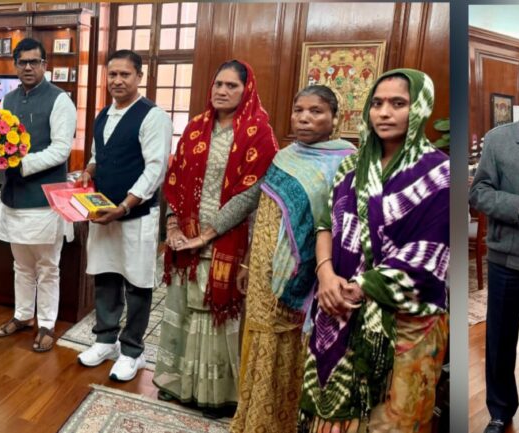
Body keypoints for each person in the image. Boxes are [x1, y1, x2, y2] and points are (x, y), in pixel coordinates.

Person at [299, 69, 450, 432]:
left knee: (390, 421)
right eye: (377, 103)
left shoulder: (440, 173)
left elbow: (428, 254)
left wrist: (360, 287)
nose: (384, 113)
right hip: (337, 308)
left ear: (420, 108)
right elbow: (325, 225)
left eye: (398, 104)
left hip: (405, 323)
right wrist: (326, 275)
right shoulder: (352, 167)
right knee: (333, 417)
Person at [153, 60, 279, 418]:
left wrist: (208, 234)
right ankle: (179, 385)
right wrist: (173, 226)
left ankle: (216, 395)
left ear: (246, 90)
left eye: (231, 86)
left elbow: (250, 194)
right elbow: (175, 179)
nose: (222, 91)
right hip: (186, 237)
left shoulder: (258, 132)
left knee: (214, 314)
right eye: (218, 84)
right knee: (183, 308)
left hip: (228, 239)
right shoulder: (196, 127)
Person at [230, 85, 355, 433]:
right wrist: (248, 261)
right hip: (263, 269)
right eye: (299, 110)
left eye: (316, 111)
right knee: (261, 339)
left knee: (294, 344)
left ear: (335, 117)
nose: (304, 118)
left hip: (312, 275)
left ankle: (285, 423)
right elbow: (266, 214)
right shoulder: (284, 157)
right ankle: (254, 419)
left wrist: (320, 271)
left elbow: (341, 224)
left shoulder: (347, 161)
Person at [76, 50, 173, 381]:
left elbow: (155, 169)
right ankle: (105, 340)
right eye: (113, 74)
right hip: (103, 212)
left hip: (136, 215)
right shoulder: (103, 114)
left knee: (136, 282)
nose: (117, 81)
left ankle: (133, 351)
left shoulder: (153, 117)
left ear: (139, 77)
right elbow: (97, 155)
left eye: (125, 74)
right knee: (105, 276)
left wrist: (125, 206)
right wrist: (87, 173)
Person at [0, 38, 76, 352]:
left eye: (35, 61)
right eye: (23, 62)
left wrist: (20, 164)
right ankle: (23, 315)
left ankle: (47, 323)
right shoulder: (8, 99)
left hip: (45, 200)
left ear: (45, 64)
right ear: (15, 65)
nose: (28, 67)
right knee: (21, 265)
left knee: (48, 267)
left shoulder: (60, 100)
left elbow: (61, 149)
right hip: (13, 198)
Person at [469, 72, 519, 433]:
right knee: (501, 338)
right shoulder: (498, 139)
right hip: (508, 255)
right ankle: (500, 410)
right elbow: (478, 193)